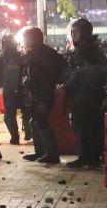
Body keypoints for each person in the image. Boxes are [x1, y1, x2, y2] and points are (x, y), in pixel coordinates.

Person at [62, 18, 107, 169]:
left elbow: (80, 73)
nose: (73, 35)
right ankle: (91, 157)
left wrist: (67, 85)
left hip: (86, 94)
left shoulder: (86, 50)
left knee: (84, 126)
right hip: (89, 93)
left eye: (76, 32)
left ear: (84, 32)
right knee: (89, 126)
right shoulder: (90, 47)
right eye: (72, 32)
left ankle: (87, 157)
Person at [19, 25, 65, 164]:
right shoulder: (36, 52)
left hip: (44, 93)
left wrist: (42, 93)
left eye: (26, 38)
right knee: (35, 122)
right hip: (37, 92)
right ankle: (41, 151)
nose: (24, 41)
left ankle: (51, 154)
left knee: (42, 122)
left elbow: (47, 76)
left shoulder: (44, 53)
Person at [0, 33, 27, 145]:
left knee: (9, 116)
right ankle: (27, 133)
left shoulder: (1, 59)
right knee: (26, 112)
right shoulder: (21, 56)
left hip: (10, 90)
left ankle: (15, 137)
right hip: (22, 89)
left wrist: (0, 87)